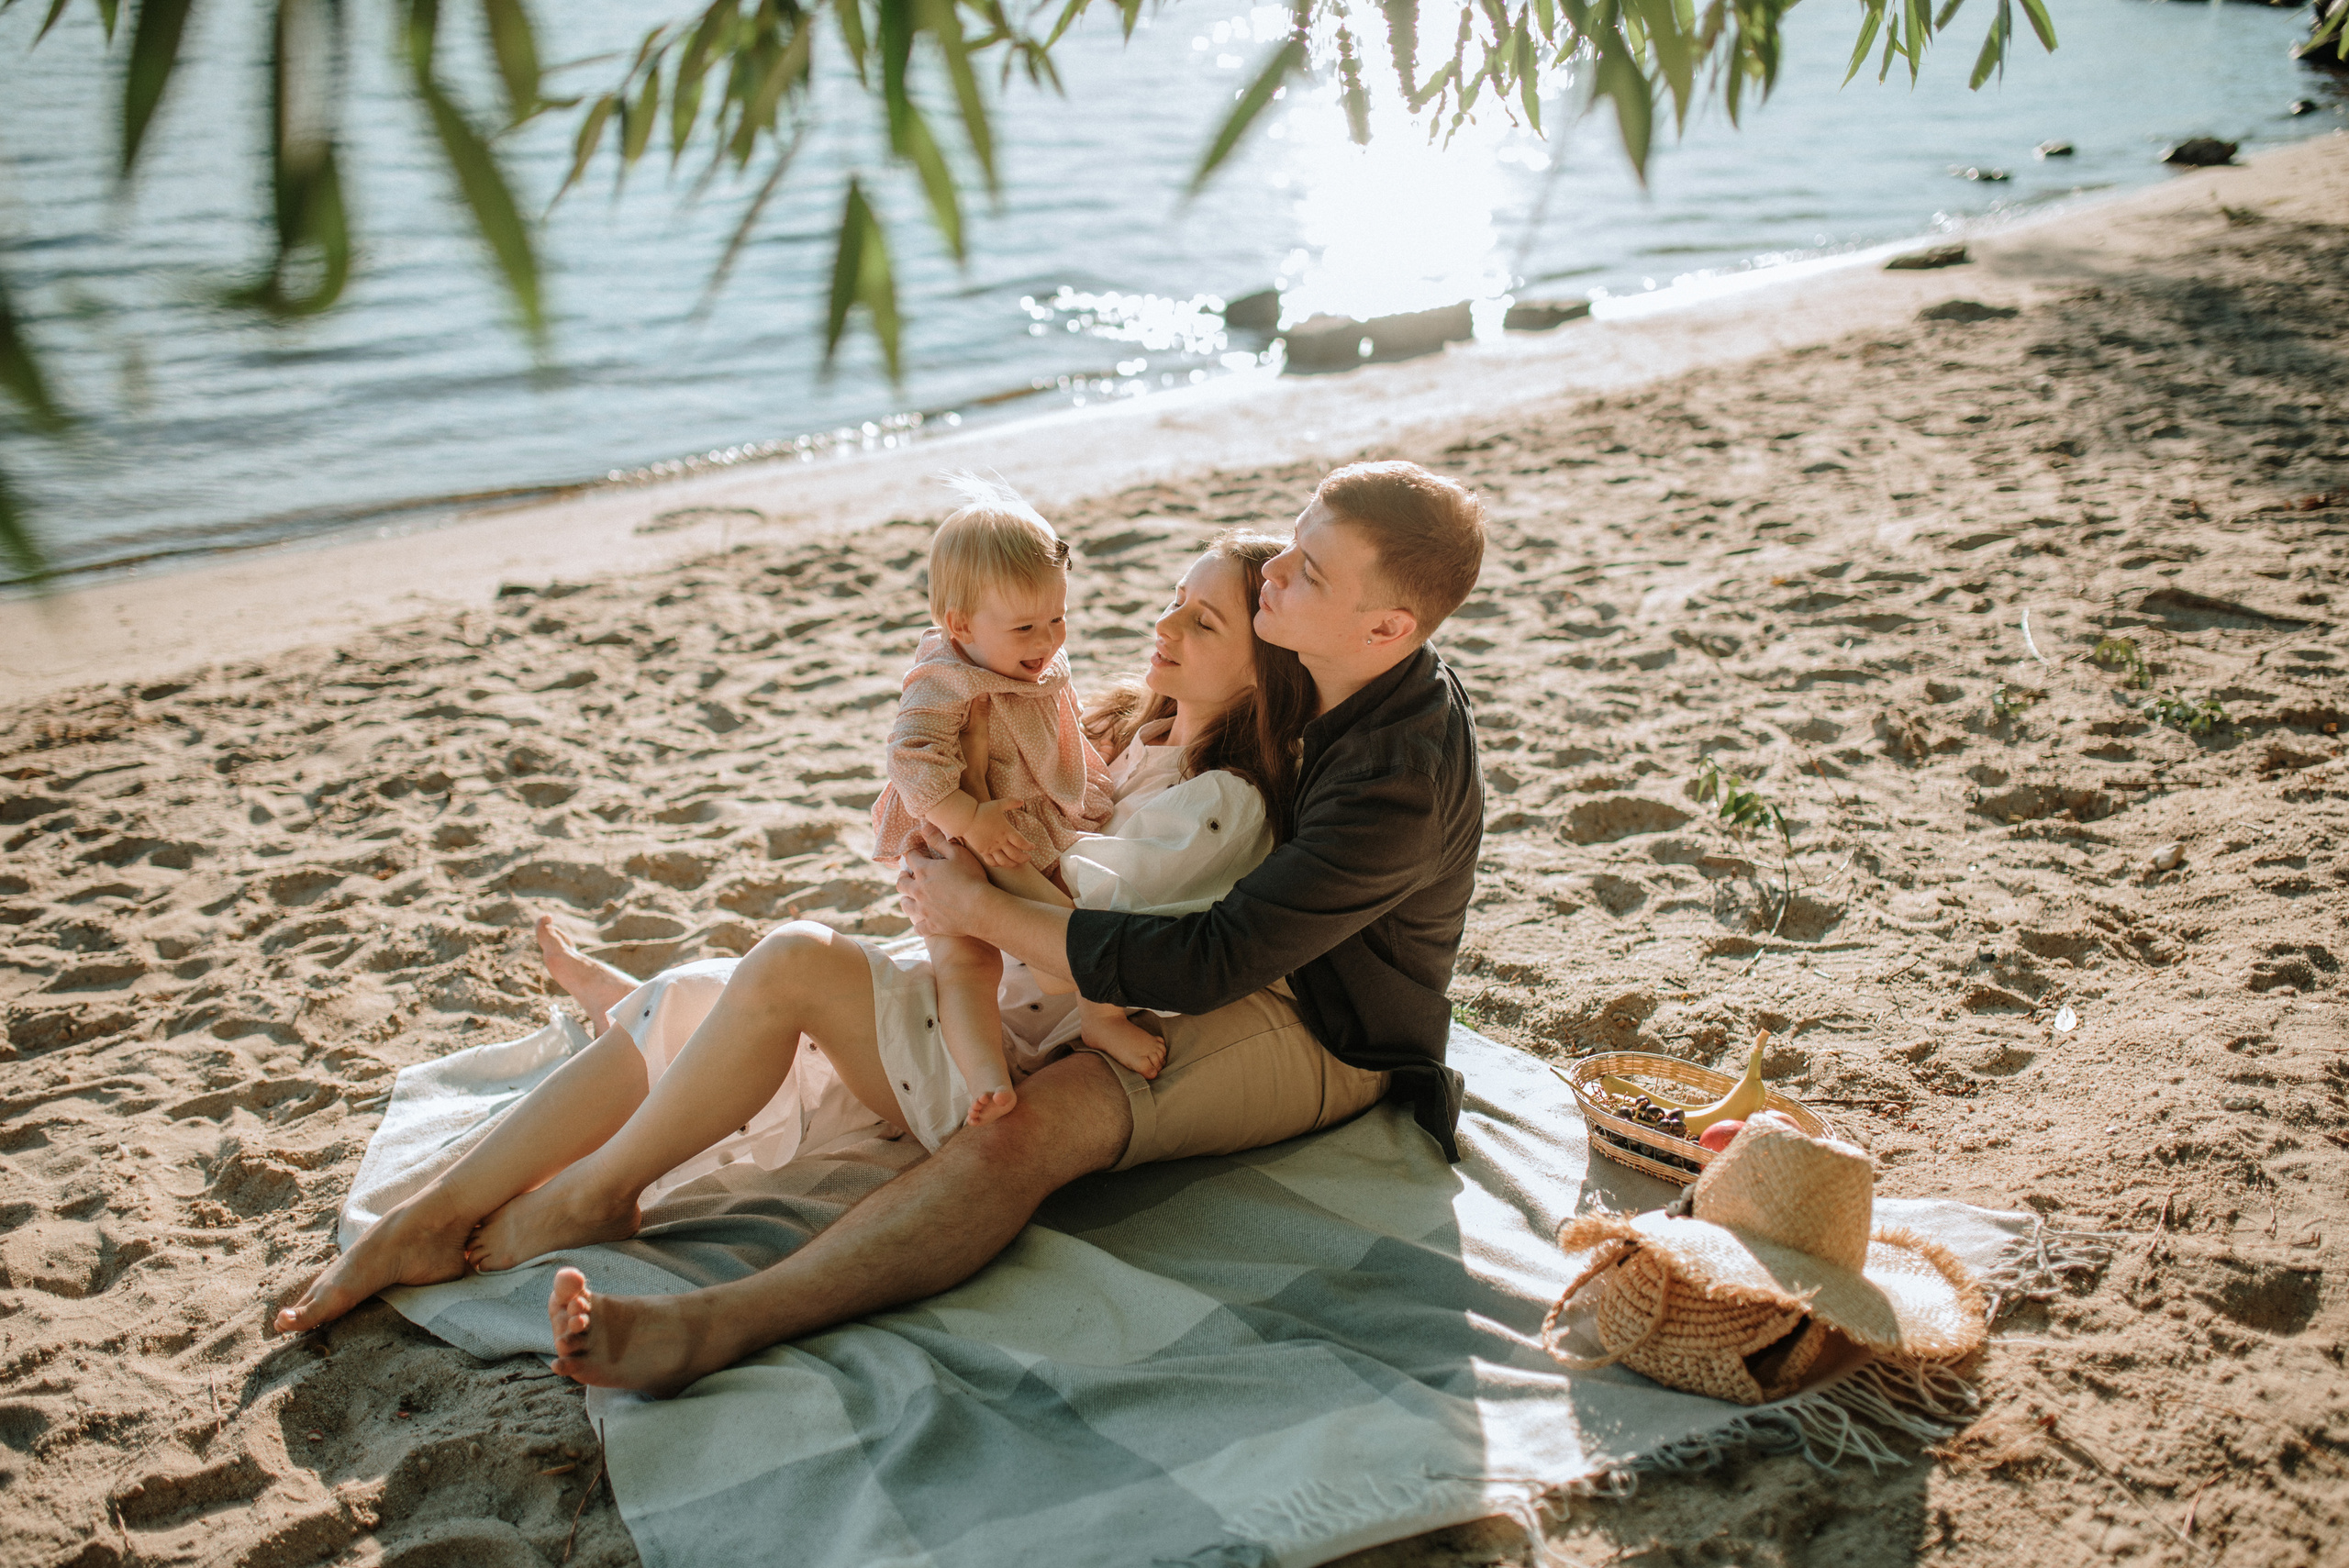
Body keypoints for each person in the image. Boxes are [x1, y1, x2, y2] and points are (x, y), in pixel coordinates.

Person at [272, 528, 1309, 1351]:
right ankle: (435, 1211)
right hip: (972, 990)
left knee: (789, 962)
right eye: (1175, 594)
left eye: (1203, 619)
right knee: (690, 989)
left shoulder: (1217, 803)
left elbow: (1091, 942)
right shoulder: (1128, 727)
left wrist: (959, 873)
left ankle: (593, 1194)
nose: (1164, 619)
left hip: (1009, 1054)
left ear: (1266, 672)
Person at [867, 477, 1163, 1127]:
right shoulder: (943, 678)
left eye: (1058, 617)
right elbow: (910, 756)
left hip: (1027, 821)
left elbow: (1053, 716)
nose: (1048, 640)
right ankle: (986, 1077)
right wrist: (968, 818)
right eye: (1027, 626)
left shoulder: (1029, 657)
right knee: (964, 958)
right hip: (956, 838)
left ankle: (1099, 1017)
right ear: (959, 625)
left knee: (1069, 917)